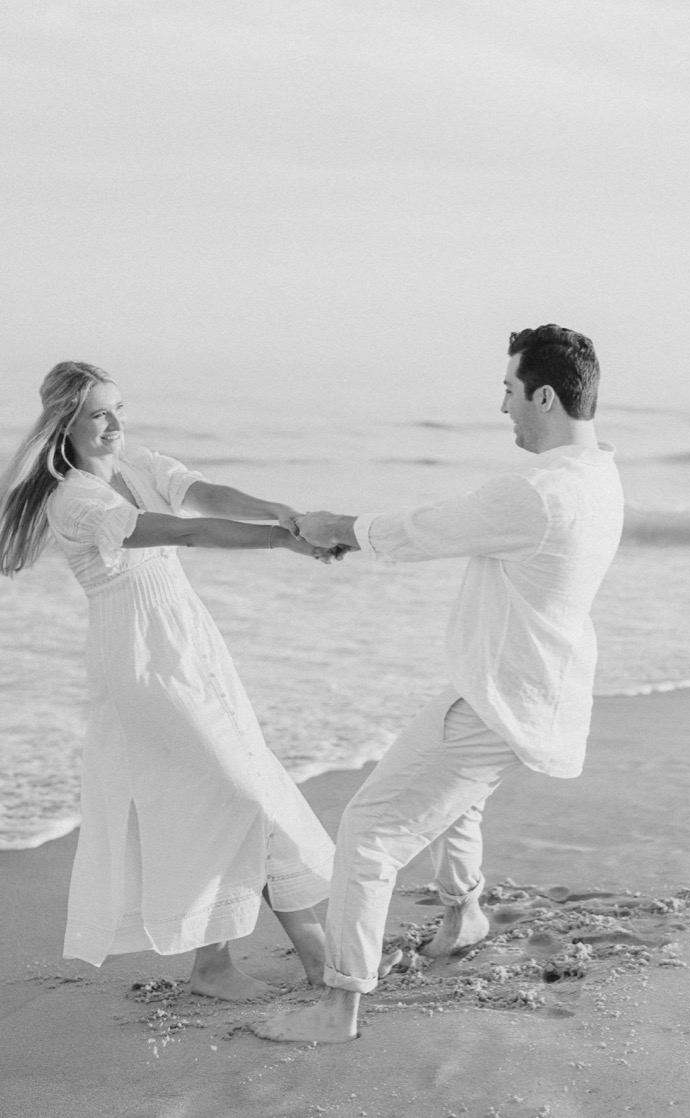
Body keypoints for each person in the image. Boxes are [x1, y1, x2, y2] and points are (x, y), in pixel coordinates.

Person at [253, 324, 625, 1044]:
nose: (504, 408)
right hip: (533, 689)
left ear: (543, 395)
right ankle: (464, 914)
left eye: (510, 392)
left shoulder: (539, 492)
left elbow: (429, 529)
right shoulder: (599, 473)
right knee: (458, 801)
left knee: (368, 832)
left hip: (498, 697)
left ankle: (340, 1005)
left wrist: (338, 526)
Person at [0, 361, 338, 1000]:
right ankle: (230, 965)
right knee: (234, 793)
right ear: (64, 422)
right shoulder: (73, 499)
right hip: (140, 663)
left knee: (242, 788)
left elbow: (204, 495)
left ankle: (301, 960)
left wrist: (286, 514)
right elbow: (186, 530)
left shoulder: (135, 465)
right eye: (99, 413)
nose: (113, 425)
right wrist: (282, 543)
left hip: (191, 646)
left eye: (118, 409)